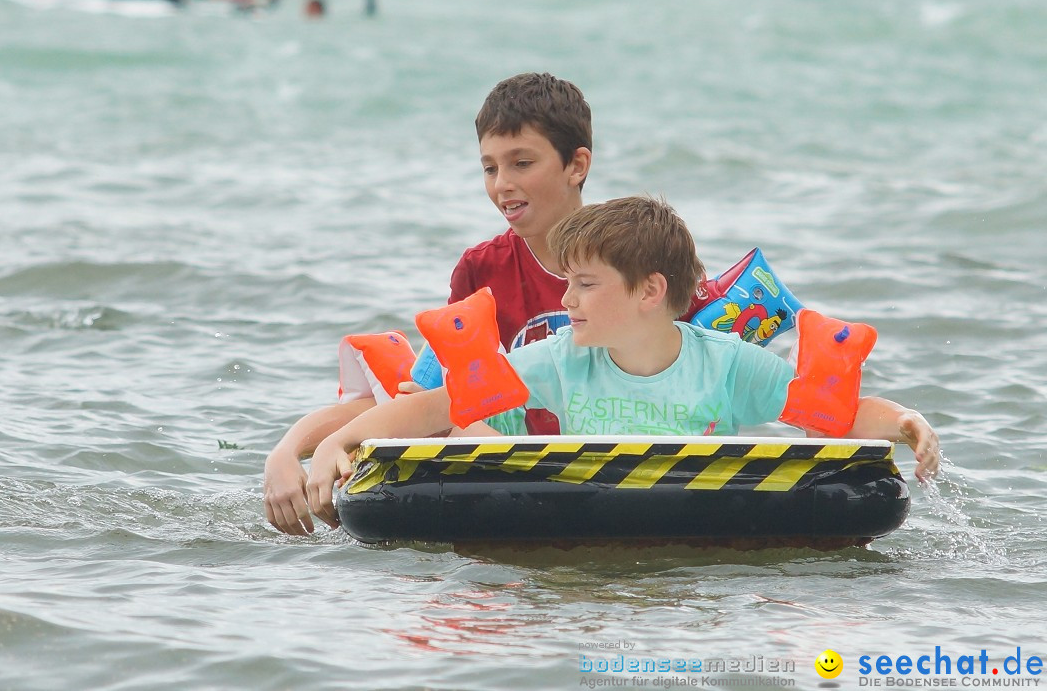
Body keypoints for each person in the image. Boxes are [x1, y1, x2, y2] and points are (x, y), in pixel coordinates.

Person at [304, 196, 941, 529]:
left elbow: (839, 413)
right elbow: (436, 406)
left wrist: (905, 422)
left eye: (585, 284)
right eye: (567, 281)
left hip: (692, 511)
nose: (565, 298)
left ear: (648, 292)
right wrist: (342, 440)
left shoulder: (725, 365)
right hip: (588, 511)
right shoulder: (559, 360)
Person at [264, 73, 601, 535]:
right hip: (516, 468)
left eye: (522, 163)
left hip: (611, 458)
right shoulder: (482, 271)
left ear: (576, 165)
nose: (502, 184)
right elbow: (413, 399)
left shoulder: (633, 257)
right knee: (459, 426)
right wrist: (285, 453)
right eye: (489, 168)